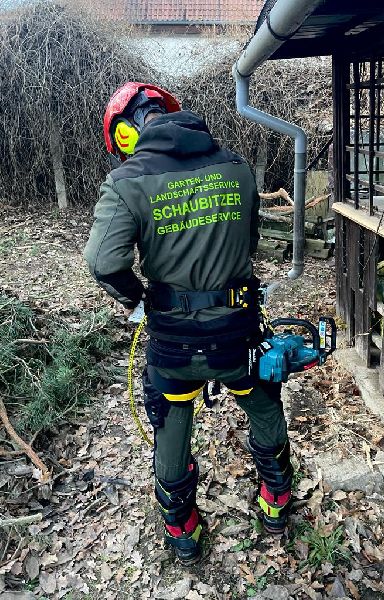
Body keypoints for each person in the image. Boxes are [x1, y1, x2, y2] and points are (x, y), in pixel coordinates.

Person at [84, 82, 293, 565]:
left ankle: (182, 529)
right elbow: (249, 242)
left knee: (171, 418)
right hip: (237, 331)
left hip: (173, 343)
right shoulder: (237, 166)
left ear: (126, 132)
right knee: (262, 402)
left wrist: (139, 301)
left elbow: (102, 261)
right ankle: (276, 502)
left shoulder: (126, 180)